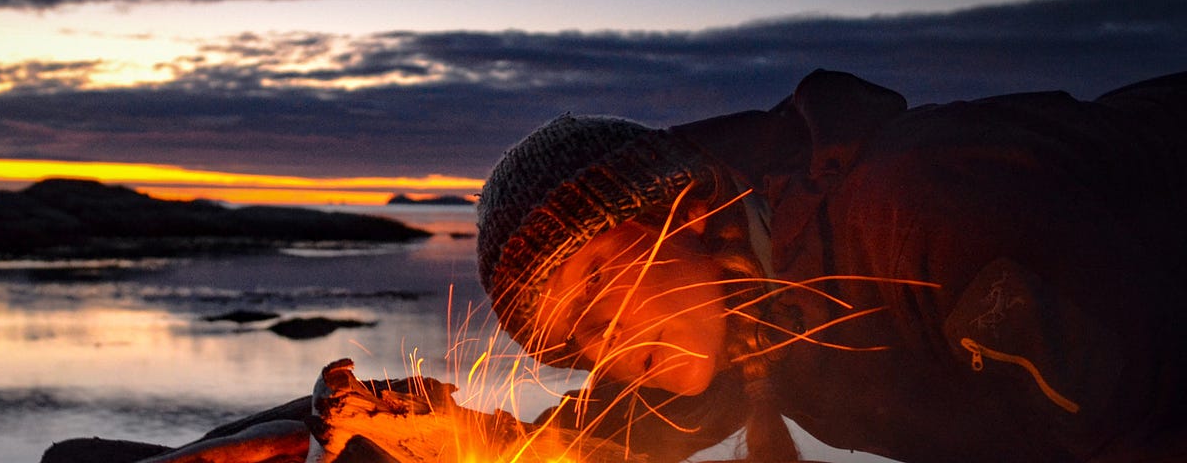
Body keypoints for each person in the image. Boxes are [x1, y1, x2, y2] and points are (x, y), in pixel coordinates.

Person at [475, 70, 1186, 463]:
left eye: (598, 281)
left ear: (681, 211)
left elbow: (1149, 431)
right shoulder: (730, 305)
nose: (607, 343)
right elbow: (608, 432)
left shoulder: (915, 217)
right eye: (577, 336)